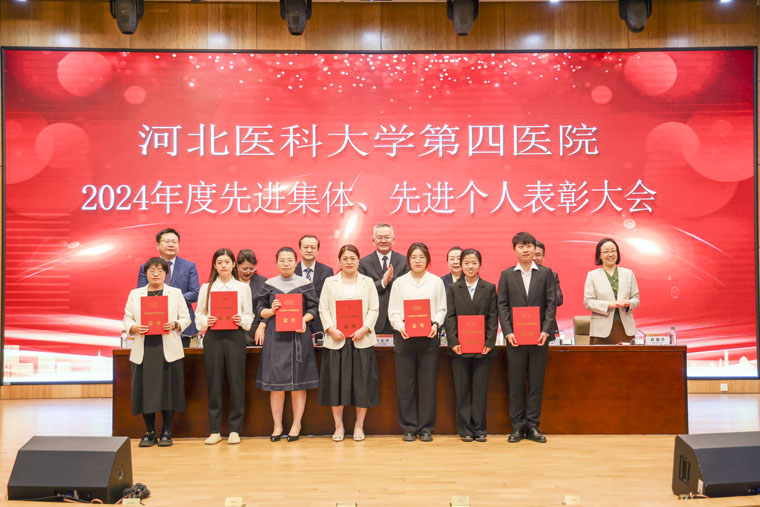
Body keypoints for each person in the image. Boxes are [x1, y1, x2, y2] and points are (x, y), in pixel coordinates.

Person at [124, 257, 191, 448]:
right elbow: (127, 318)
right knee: (146, 391)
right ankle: (149, 432)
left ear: (166, 273)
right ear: (146, 273)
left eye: (160, 270)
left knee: (169, 391)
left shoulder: (175, 293)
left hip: (167, 348)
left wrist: (175, 324)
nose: (156, 274)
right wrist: (134, 327)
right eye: (152, 270)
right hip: (145, 348)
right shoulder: (135, 294)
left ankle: (167, 431)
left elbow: (186, 318)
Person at [254, 247, 320, 442]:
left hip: (298, 336)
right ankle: (277, 425)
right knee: (276, 384)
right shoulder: (269, 284)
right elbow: (260, 310)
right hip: (276, 338)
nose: (286, 263)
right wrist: (271, 311)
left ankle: (296, 424)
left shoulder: (305, 283)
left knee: (298, 383)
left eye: (290, 260)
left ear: (295, 262)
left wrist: (303, 320)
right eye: (282, 260)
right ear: (276, 263)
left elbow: (313, 308)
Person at [497, 232, 556, 444]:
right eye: (521, 246)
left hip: (540, 338)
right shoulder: (506, 275)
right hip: (515, 339)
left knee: (536, 383)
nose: (525, 250)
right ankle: (517, 426)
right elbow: (502, 305)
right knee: (516, 382)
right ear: (514, 250)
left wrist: (546, 330)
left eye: (529, 246)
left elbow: (551, 304)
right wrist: (508, 332)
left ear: (534, 249)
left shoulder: (546, 273)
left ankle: (532, 426)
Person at [318, 245, 380, 442]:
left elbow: (374, 309)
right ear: (340, 261)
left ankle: (359, 426)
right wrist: (330, 329)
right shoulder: (330, 282)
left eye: (353, 258)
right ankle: (339, 426)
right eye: (345, 258)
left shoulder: (367, 282)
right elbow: (323, 309)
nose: (349, 261)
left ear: (359, 260)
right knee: (336, 385)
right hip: (336, 340)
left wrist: (364, 328)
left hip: (361, 340)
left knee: (362, 385)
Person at [388, 242, 447, 442]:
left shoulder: (436, 282)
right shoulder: (399, 283)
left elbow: (442, 308)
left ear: (427, 260)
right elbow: (393, 311)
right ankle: (409, 428)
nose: (417, 261)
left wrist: (436, 324)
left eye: (421, 257)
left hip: (429, 337)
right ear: (408, 260)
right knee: (406, 385)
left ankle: (427, 428)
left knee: (428, 384)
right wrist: (400, 327)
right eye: (414, 257)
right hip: (405, 337)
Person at [195, 248, 254, 446]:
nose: (223, 266)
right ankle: (214, 430)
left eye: (227, 262)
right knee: (214, 383)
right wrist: (207, 320)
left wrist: (241, 319)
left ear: (233, 264)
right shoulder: (207, 288)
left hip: (235, 336)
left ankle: (235, 429)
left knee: (237, 382)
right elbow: (199, 315)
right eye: (219, 262)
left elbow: (249, 315)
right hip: (213, 337)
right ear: (214, 265)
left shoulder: (242, 288)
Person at [444, 249, 498, 442]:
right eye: (466, 263)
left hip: (483, 348)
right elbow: (450, 317)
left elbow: (493, 317)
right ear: (461, 265)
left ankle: (480, 428)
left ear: (480, 265)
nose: (470, 266)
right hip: (460, 348)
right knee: (462, 390)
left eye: (474, 263)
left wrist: (489, 342)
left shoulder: (489, 287)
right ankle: (465, 429)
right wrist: (453, 341)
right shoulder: (453, 288)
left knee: (480, 390)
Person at [138, 228, 200, 348]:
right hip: (153, 323)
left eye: (174, 242)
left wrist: (169, 300)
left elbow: (195, 293)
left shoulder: (189, 266)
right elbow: (140, 294)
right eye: (166, 241)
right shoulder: (146, 267)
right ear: (157, 245)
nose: (171, 244)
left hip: (182, 326)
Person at [583, 238, 640, 344]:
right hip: (601, 329)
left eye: (613, 251)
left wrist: (629, 303)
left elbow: (636, 299)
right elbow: (588, 302)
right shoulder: (592, 275)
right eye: (606, 251)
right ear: (600, 255)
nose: (610, 254)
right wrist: (611, 304)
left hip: (625, 328)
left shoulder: (628, 274)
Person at [358, 223, 410, 335]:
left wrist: (392, 279)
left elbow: (408, 288)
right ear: (373, 241)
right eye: (379, 237)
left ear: (393, 240)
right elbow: (362, 289)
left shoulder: (404, 261)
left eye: (387, 237)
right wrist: (382, 282)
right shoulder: (363, 263)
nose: (383, 241)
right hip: (373, 321)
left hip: (400, 320)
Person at [294, 235, 334, 340]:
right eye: (305, 247)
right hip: (297, 322)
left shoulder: (327, 271)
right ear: (300, 249)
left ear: (317, 250)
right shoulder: (292, 271)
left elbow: (329, 297)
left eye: (312, 247)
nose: (309, 250)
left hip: (320, 322)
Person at [236, 249, 267, 346]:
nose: (248, 272)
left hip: (256, 332)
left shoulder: (262, 282)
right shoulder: (230, 281)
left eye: (251, 268)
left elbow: (268, 307)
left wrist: (262, 326)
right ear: (237, 266)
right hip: (235, 330)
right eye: (245, 269)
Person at [534, 240, 563, 337]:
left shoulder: (551, 275)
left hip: (547, 325)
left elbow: (558, 300)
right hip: (523, 323)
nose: (534, 258)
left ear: (543, 257)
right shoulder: (516, 276)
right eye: (532, 255)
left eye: (538, 255)